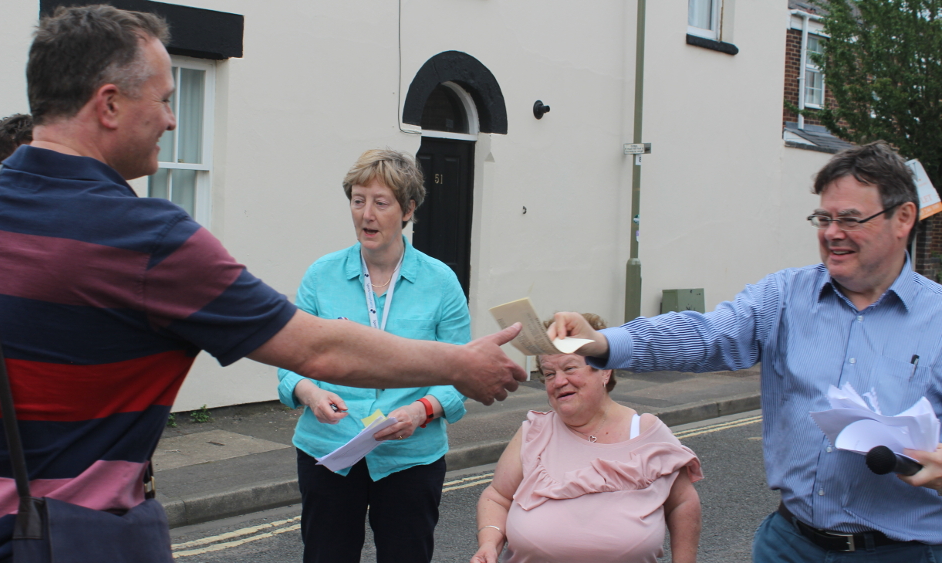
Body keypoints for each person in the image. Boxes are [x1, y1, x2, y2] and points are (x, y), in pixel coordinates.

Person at [0, 7, 525, 563]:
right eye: (166, 101)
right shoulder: (152, 240)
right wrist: (458, 364)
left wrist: (430, 398)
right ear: (109, 104)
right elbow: (315, 349)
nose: (173, 119)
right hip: (71, 539)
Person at [549, 142, 942, 561]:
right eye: (823, 219)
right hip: (789, 544)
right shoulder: (785, 295)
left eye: (849, 219)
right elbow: (705, 334)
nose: (831, 233)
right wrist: (605, 343)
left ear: (903, 218)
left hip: (901, 551)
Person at [278, 148, 470, 562]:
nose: (366, 214)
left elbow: (459, 374)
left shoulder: (440, 282)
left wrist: (422, 410)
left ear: (408, 209)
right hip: (328, 451)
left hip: (410, 458)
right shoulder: (321, 275)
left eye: (380, 203)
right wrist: (309, 394)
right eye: (358, 200)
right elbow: (290, 360)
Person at [471, 313, 702, 563]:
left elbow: (683, 504)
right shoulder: (534, 432)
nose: (559, 381)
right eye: (549, 374)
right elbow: (497, 497)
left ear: (604, 371)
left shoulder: (646, 432)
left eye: (570, 368)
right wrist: (489, 544)